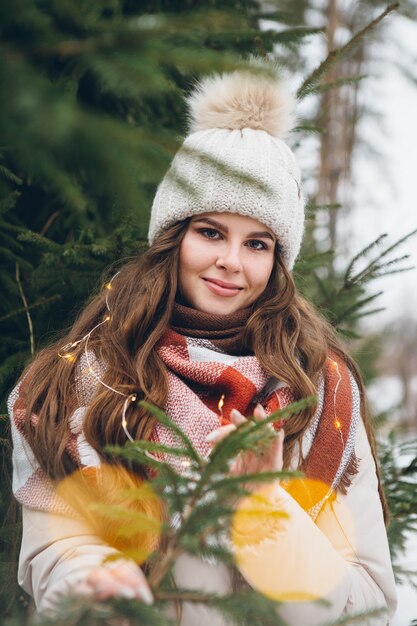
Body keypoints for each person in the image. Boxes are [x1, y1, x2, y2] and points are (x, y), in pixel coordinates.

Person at [8, 67, 397, 626]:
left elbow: (368, 605)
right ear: (173, 235)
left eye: (257, 243)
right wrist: (94, 585)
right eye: (210, 232)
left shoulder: (320, 394)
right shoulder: (80, 380)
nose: (231, 262)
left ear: (277, 261)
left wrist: (264, 505)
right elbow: (54, 555)